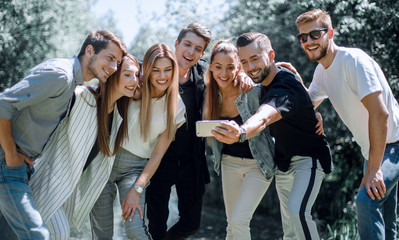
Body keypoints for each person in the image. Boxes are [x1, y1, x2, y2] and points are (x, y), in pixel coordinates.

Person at [0, 30, 126, 239]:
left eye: (117, 63)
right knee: (37, 235)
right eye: (110, 58)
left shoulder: (73, 84)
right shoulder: (61, 75)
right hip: (8, 164)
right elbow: (4, 103)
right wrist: (11, 153)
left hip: (21, 166)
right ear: (89, 50)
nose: (114, 68)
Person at [213, 32, 332, 240]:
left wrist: (241, 132)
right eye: (244, 62)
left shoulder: (284, 84)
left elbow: (264, 117)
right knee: (290, 231)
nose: (250, 67)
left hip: (309, 158)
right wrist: (312, 110)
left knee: (298, 212)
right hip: (283, 163)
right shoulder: (262, 84)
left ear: (271, 54)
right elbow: (302, 100)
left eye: (255, 58)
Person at [296, 9, 399, 239]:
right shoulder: (322, 72)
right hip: (373, 150)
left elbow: (380, 115)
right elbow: (305, 106)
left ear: (330, 33)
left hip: (393, 146)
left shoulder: (353, 60)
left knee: (366, 202)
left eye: (314, 35)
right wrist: (291, 78)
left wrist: (374, 170)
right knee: (387, 220)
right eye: (303, 37)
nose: (308, 42)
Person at [27, 53, 138, 239]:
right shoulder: (81, 97)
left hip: (69, 192)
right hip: (43, 181)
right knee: (59, 233)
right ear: (111, 75)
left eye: (136, 75)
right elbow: (37, 115)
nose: (134, 80)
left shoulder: (118, 116)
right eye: (127, 74)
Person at [89, 44, 186, 240]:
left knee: (135, 229)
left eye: (168, 70)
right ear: (147, 70)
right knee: (102, 233)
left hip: (135, 170)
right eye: (156, 70)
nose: (162, 76)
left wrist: (137, 189)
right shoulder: (134, 88)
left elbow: (158, 153)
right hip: (105, 161)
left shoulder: (178, 107)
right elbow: (104, 90)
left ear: (174, 71)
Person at [203, 39, 275, 239]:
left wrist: (313, 112)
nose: (223, 73)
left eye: (230, 67)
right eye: (218, 67)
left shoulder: (252, 90)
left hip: (258, 164)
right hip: (228, 164)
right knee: (231, 226)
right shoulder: (209, 95)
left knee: (239, 221)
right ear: (211, 67)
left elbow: (282, 95)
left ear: (239, 67)